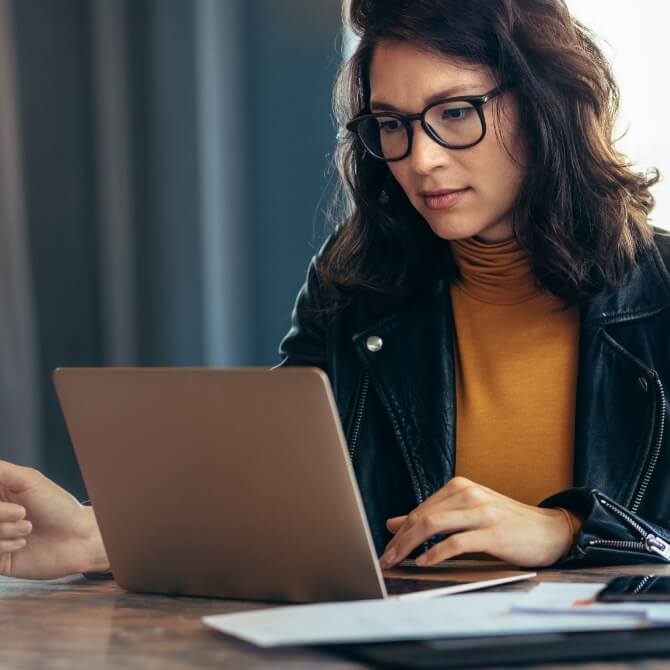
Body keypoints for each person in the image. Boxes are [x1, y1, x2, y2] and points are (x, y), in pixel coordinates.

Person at [2, 0, 670, 580]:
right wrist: (95, 534)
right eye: (392, 123)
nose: (420, 157)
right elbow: (285, 502)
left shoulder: (660, 292)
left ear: (545, 101)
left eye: (456, 112)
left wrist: (568, 531)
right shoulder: (355, 284)